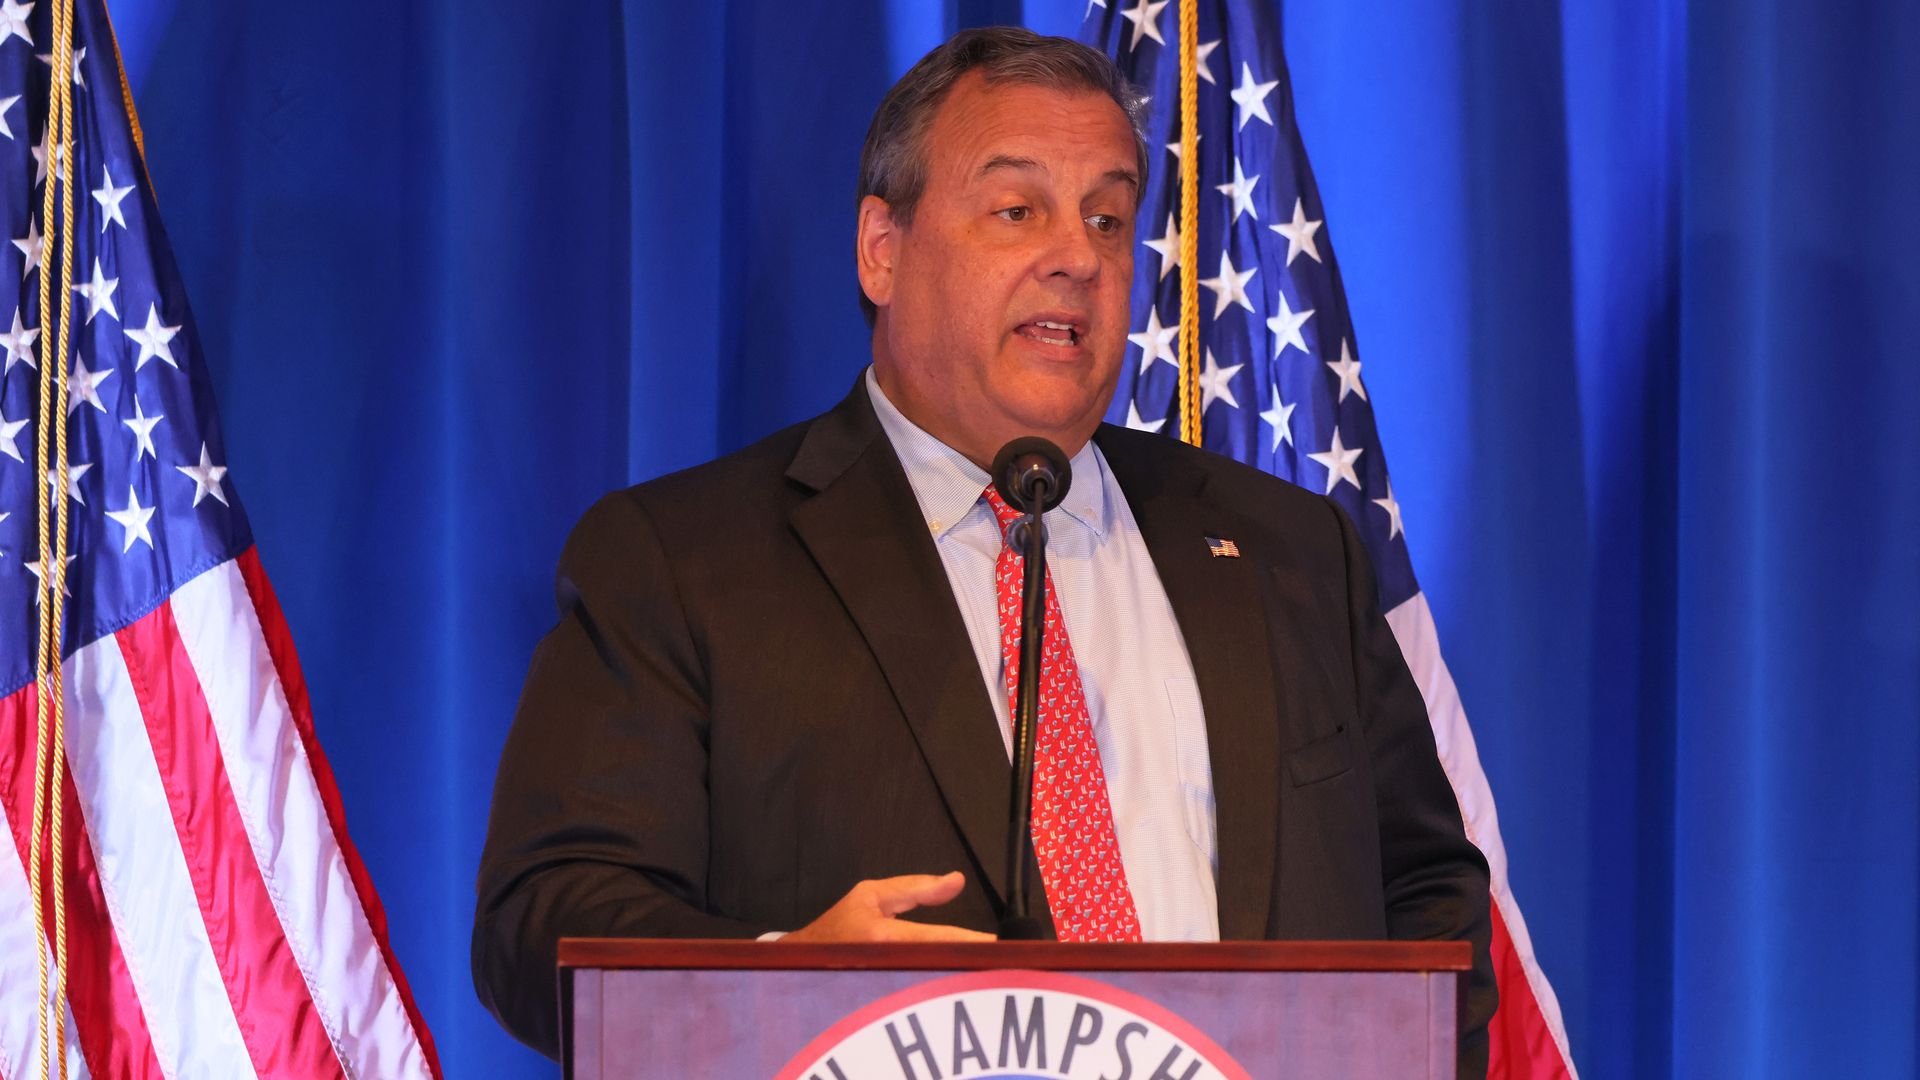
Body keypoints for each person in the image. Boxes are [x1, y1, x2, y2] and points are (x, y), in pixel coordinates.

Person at [472, 25, 1495, 1074]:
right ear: (882, 248)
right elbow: (541, 920)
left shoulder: (1292, 551)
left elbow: (1431, 898)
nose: (1077, 256)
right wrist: (777, 979)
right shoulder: (683, 563)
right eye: (1018, 210)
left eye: (1108, 217)